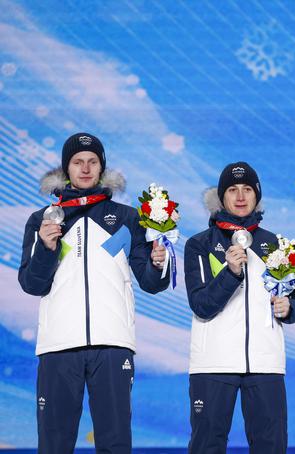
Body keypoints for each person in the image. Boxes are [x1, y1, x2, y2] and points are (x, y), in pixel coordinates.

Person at [18, 132, 170, 453]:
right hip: (59, 345)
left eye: (92, 162)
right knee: (54, 443)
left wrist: (159, 262)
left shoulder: (128, 219)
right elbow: (33, 284)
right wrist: (46, 246)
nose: (85, 169)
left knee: (115, 443)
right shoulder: (43, 220)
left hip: (113, 344)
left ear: (102, 168)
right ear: (66, 168)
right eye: (77, 162)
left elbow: (151, 282)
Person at [184, 161, 295, 453]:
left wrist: (289, 308)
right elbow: (201, 305)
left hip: (265, 364)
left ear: (257, 195)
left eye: (248, 189)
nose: (240, 196)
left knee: (270, 446)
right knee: (206, 446)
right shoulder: (200, 244)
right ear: (221, 197)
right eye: (232, 190)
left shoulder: (276, 245)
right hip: (213, 363)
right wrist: (231, 272)